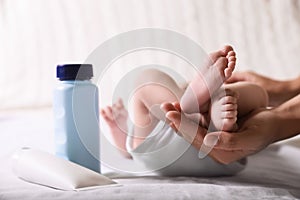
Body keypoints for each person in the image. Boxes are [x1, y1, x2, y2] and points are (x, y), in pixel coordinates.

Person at [100, 45, 269, 176]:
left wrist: (117, 127)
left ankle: (188, 107)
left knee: (145, 81)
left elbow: (125, 152)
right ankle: (205, 113)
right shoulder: (220, 99)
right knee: (260, 94)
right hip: (223, 157)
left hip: (161, 153)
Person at [162, 72, 300, 165]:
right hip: (224, 156)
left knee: (151, 77)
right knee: (259, 94)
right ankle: (211, 111)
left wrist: (281, 118)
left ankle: (199, 104)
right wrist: (288, 89)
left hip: (179, 143)